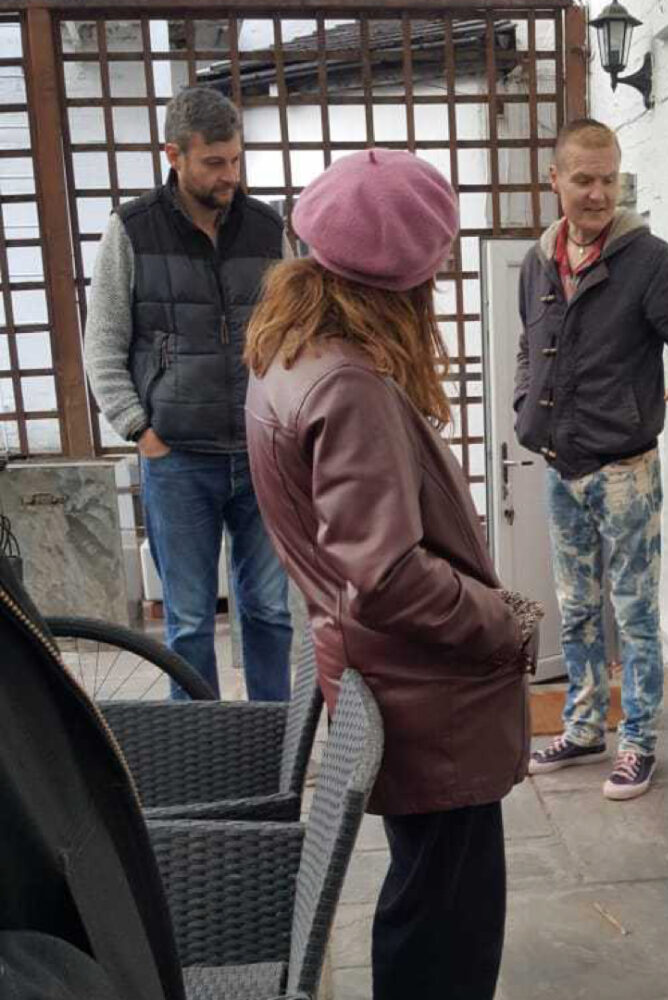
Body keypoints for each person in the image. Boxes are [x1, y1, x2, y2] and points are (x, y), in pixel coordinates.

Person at [244, 149, 538, 1000]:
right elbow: (386, 574)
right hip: (422, 695)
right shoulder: (348, 380)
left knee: (426, 896)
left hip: (380, 674)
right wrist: (500, 618)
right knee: (449, 915)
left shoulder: (288, 346)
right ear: (410, 274)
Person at [83, 86, 292, 701]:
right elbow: (104, 344)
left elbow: (295, 333)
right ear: (173, 154)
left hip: (260, 455)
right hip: (176, 458)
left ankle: (271, 746)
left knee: (270, 614)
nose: (230, 175)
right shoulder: (131, 230)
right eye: (214, 163)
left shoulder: (266, 228)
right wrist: (139, 432)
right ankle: (200, 757)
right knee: (191, 625)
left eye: (235, 160)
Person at [516, 118, 668, 801]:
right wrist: (523, 406)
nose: (598, 194)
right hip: (560, 468)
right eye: (584, 179)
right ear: (556, 179)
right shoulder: (540, 261)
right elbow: (528, 349)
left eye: (608, 179)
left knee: (633, 610)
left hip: (625, 471)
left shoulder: (647, 258)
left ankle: (639, 742)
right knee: (575, 611)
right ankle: (585, 725)